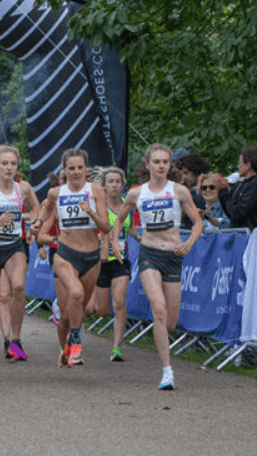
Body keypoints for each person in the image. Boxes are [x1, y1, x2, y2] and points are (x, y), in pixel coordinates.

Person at [111, 143, 203, 390]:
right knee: (158, 309)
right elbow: (119, 220)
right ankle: (167, 371)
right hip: (149, 255)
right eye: (157, 162)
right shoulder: (136, 194)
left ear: (169, 165)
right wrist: (116, 243)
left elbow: (197, 223)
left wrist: (189, 243)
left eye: (165, 162)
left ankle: (165, 355)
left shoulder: (180, 191)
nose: (161, 166)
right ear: (148, 165)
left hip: (173, 255)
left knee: (170, 322)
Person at [29, 149, 110, 369]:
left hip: (91, 256)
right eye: (71, 168)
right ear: (64, 170)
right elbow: (43, 216)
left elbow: (105, 227)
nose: (75, 172)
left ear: (86, 169)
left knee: (80, 310)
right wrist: (36, 228)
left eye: (79, 167)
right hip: (65, 253)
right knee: (74, 295)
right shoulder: (56, 193)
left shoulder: (96, 191)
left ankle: (68, 346)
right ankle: (73, 341)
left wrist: (90, 212)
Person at [0, 145, 39, 363]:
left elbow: (37, 212)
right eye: (5, 163)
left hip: (14, 246)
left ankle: (16, 340)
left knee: (19, 287)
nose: (9, 168)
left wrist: (33, 226)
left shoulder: (24, 189)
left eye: (13, 163)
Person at [92, 167, 138, 362]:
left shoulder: (128, 208)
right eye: (110, 181)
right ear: (104, 185)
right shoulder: (97, 207)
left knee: (119, 301)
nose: (114, 185)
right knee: (101, 311)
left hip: (121, 261)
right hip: (100, 262)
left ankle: (117, 348)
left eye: (118, 181)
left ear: (123, 184)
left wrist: (145, 239)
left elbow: (133, 230)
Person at [218, 146, 257, 231]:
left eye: (240, 163)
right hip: (239, 233)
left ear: (248, 165)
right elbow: (231, 213)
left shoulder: (256, 184)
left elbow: (239, 213)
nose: (238, 166)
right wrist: (223, 191)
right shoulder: (242, 184)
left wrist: (225, 191)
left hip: (250, 234)